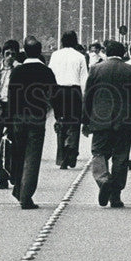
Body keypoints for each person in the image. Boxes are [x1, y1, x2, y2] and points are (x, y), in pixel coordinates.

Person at [82, 39, 131, 208]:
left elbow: (88, 97)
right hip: (125, 122)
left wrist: (85, 121)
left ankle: (103, 179)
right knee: (121, 157)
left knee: (98, 153)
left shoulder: (96, 69)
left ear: (106, 52)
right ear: (123, 53)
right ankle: (116, 196)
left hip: (100, 120)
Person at [6, 35, 60, 209]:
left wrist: (8, 122)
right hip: (36, 118)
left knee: (20, 155)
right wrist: (59, 118)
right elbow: (55, 97)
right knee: (32, 158)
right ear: (40, 51)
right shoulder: (46, 71)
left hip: (18, 118)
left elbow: (11, 97)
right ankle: (26, 196)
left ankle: (18, 189)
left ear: (25, 51)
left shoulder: (17, 71)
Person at [48, 30, 89, 169]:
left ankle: (61, 156)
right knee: (74, 122)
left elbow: (50, 75)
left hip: (58, 91)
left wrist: (51, 95)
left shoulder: (55, 55)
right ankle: (71, 150)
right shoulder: (80, 57)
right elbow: (84, 80)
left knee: (61, 121)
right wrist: (85, 99)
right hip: (74, 91)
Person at [0, 41, 21, 188]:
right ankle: (1, 178)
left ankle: (13, 173)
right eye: (7, 53)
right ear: (3, 54)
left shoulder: (19, 68)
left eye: (13, 54)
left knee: (15, 142)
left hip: (14, 109)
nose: (10, 57)